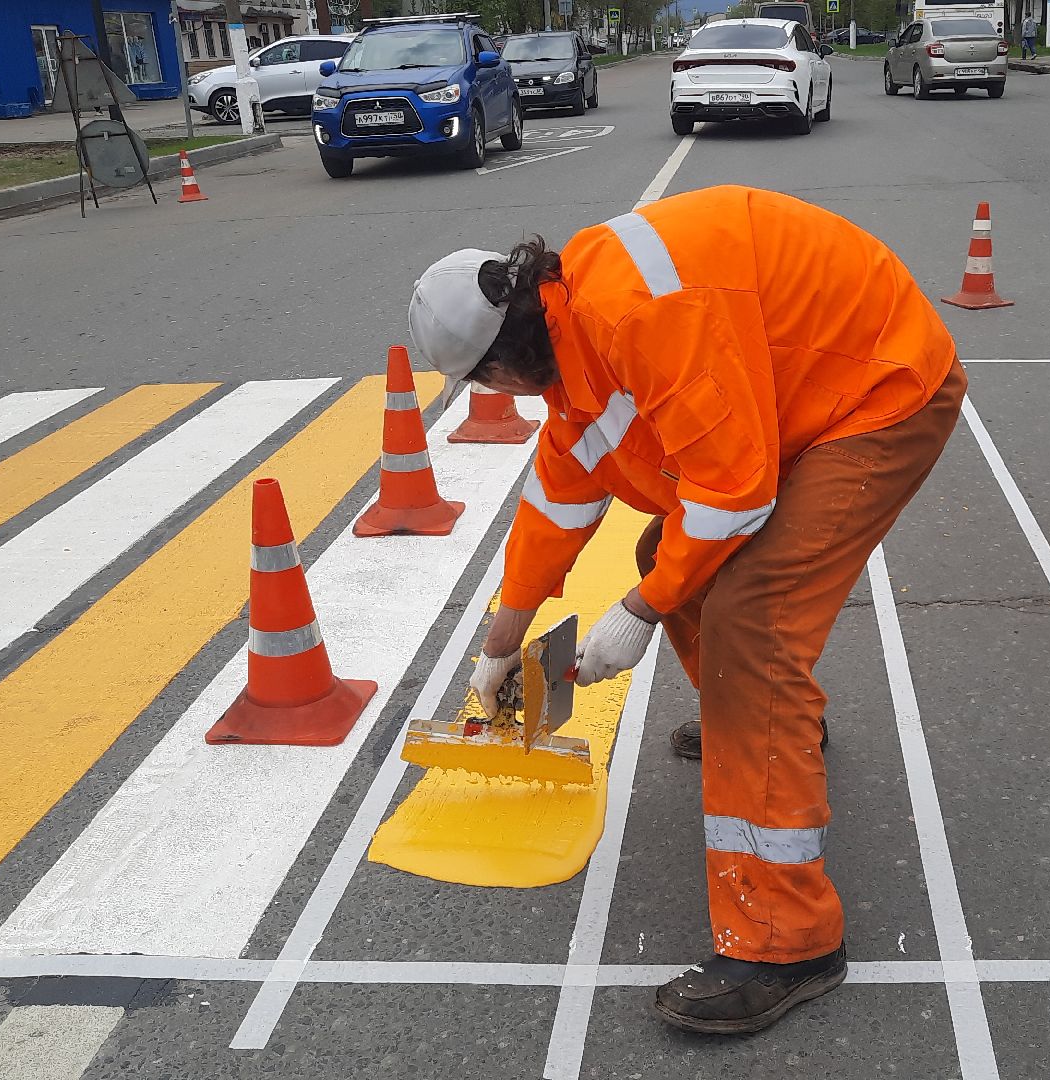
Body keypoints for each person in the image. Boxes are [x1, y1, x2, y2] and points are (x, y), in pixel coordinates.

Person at [406, 186, 965, 1034]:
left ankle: (786, 941)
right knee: (668, 563)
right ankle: (767, 727)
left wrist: (638, 612)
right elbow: (556, 507)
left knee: (751, 624)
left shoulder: (636, 313)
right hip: (804, 392)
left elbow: (733, 493)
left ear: (498, 364)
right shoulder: (573, 338)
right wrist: (500, 646)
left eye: (486, 384)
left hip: (876, 388)